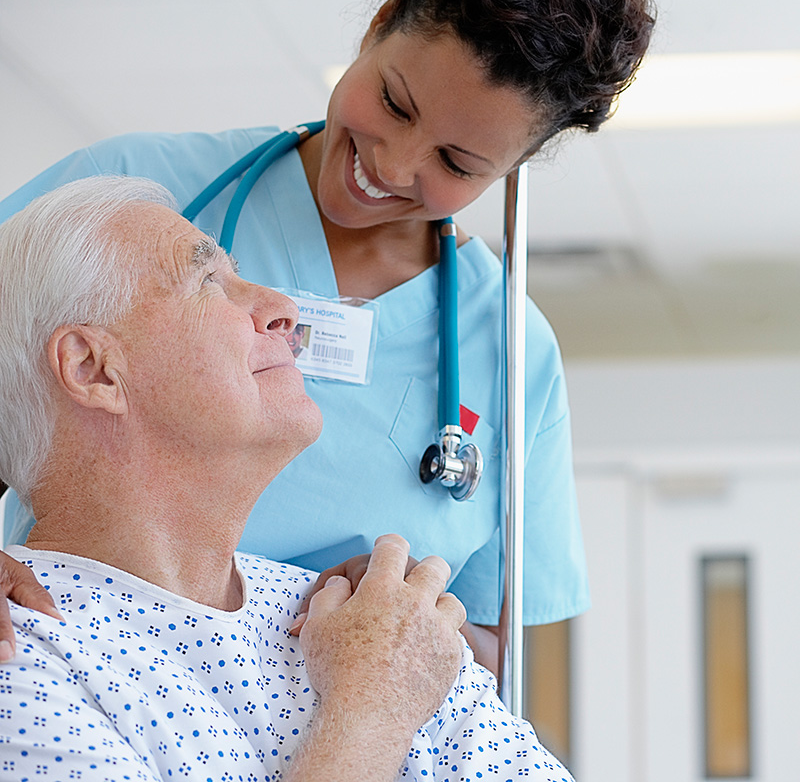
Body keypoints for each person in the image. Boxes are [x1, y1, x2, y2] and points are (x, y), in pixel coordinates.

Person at [0, 0, 655, 668]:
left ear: (511, 168)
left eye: (455, 162)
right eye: (395, 103)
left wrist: (404, 612)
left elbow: (495, 656)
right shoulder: (129, 195)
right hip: (79, 684)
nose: (393, 164)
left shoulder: (515, 354)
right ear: (379, 26)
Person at [0, 176, 577, 781]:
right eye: (208, 282)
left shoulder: (379, 624)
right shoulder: (22, 653)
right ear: (92, 368)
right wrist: (373, 708)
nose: (284, 308)